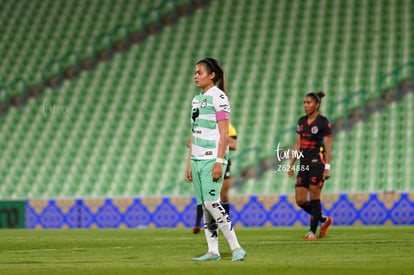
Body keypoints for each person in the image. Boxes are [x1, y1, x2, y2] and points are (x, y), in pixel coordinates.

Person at [185, 57, 246, 261]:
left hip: (213, 157)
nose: (196, 75)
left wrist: (220, 161)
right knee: (205, 206)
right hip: (197, 158)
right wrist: (188, 163)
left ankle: (236, 247)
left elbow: (224, 134)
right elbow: (193, 133)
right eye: (195, 72)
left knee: (212, 202)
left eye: (200, 72)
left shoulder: (218, 97)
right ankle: (213, 251)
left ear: (212, 75)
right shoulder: (196, 99)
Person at [287, 91, 333, 240]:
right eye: (304, 102)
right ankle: (324, 219)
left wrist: (327, 167)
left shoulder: (323, 122)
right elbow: (298, 143)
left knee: (314, 197)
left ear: (317, 105)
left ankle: (312, 232)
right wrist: (291, 164)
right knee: (300, 200)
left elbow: (328, 147)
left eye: (309, 103)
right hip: (304, 164)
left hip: (317, 163)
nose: (306, 105)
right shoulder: (301, 121)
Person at [192, 123, 237, 234]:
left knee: (223, 195)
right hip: (205, 162)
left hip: (220, 162)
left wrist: (219, 144)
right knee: (205, 195)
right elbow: (191, 143)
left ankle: (226, 223)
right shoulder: (202, 126)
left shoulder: (227, 128)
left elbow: (233, 145)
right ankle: (199, 224)